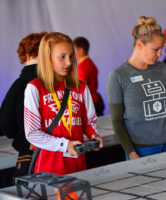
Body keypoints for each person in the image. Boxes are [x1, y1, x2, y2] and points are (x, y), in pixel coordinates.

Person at [107, 16, 166, 160]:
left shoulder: (163, 68)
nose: (160, 54)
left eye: (162, 48)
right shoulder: (118, 76)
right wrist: (131, 153)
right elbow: (117, 121)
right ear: (139, 45)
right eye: (156, 49)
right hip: (142, 150)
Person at [24, 32, 103, 175]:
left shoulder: (81, 87)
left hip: (77, 162)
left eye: (71, 56)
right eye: (62, 57)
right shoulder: (35, 88)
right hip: (48, 168)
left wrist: (94, 135)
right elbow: (32, 133)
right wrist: (64, 145)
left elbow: (89, 121)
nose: (69, 62)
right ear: (47, 58)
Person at [0, 32, 46, 179]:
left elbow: (6, 123)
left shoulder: (19, 85)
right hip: (65, 150)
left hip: (31, 153)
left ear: (26, 55)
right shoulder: (61, 82)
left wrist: (18, 135)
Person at [73, 37, 104, 116]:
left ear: (81, 50)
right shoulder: (90, 62)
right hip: (95, 100)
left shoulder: (82, 66)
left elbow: (81, 88)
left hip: (89, 104)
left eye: (74, 50)